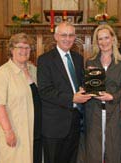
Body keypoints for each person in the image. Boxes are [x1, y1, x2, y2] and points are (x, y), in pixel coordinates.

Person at [37, 21, 91, 163]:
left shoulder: (78, 59)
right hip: (54, 126)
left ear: (75, 37)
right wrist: (72, 98)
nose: (67, 39)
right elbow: (45, 91)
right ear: (56, 36)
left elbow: (81, 84)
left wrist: (84, 90)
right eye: (63, 35)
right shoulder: (45, 60)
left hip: (75, 123)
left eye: (71, 35)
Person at [0, 33, 40, 162]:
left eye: (27, 47)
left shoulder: (33, 70)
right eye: (20, 47)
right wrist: (8, 131)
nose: (24, 51)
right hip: (15, 131)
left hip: (34, 129)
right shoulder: (2, 74)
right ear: (11, 49)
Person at [83, 24, 121, 163]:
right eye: (100, 39)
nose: (104, 42)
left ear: (113, 39)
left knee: (113, 150)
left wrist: (112, 96)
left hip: (114, 112)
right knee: (94, 151)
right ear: (97, 42)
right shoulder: (90, 61)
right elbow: (86, 87)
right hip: (94, 112)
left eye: (106, 38)